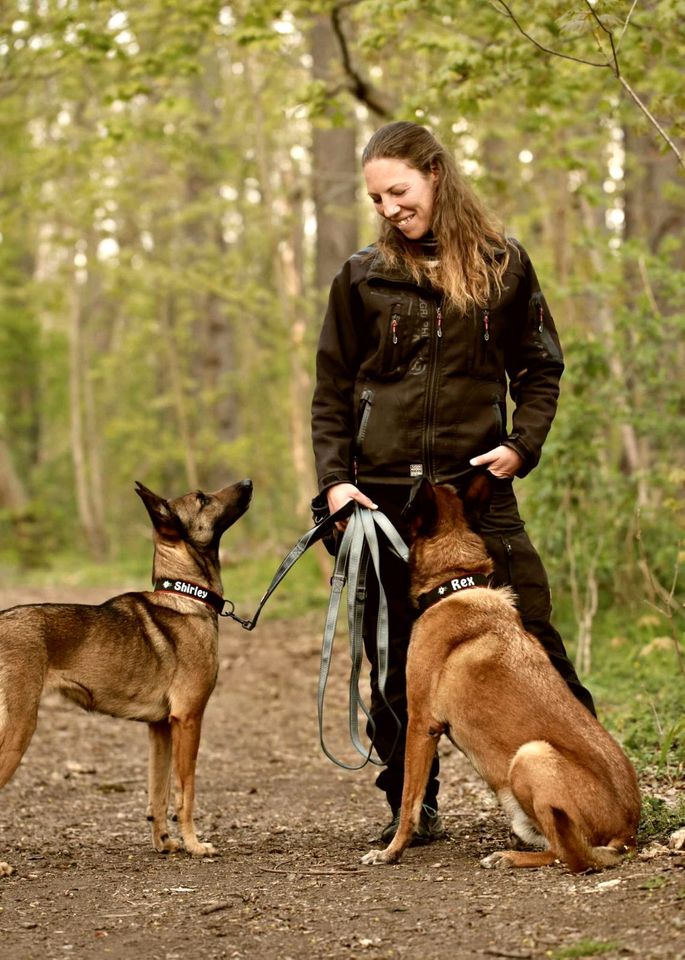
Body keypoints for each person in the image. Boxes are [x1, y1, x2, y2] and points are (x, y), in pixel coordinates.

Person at [310, 120, 595, 845]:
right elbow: (332, 390)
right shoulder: (360, 276)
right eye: (375, 197)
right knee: (395, 664)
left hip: (475, 498)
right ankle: (412, 810)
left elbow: (539, 369)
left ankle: (595, 790)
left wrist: (518, 446)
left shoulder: (503, 264)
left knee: (537, 643)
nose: (387, 208)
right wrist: (335, 484)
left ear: (434, 174)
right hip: (382, 501)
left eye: (397, 191)